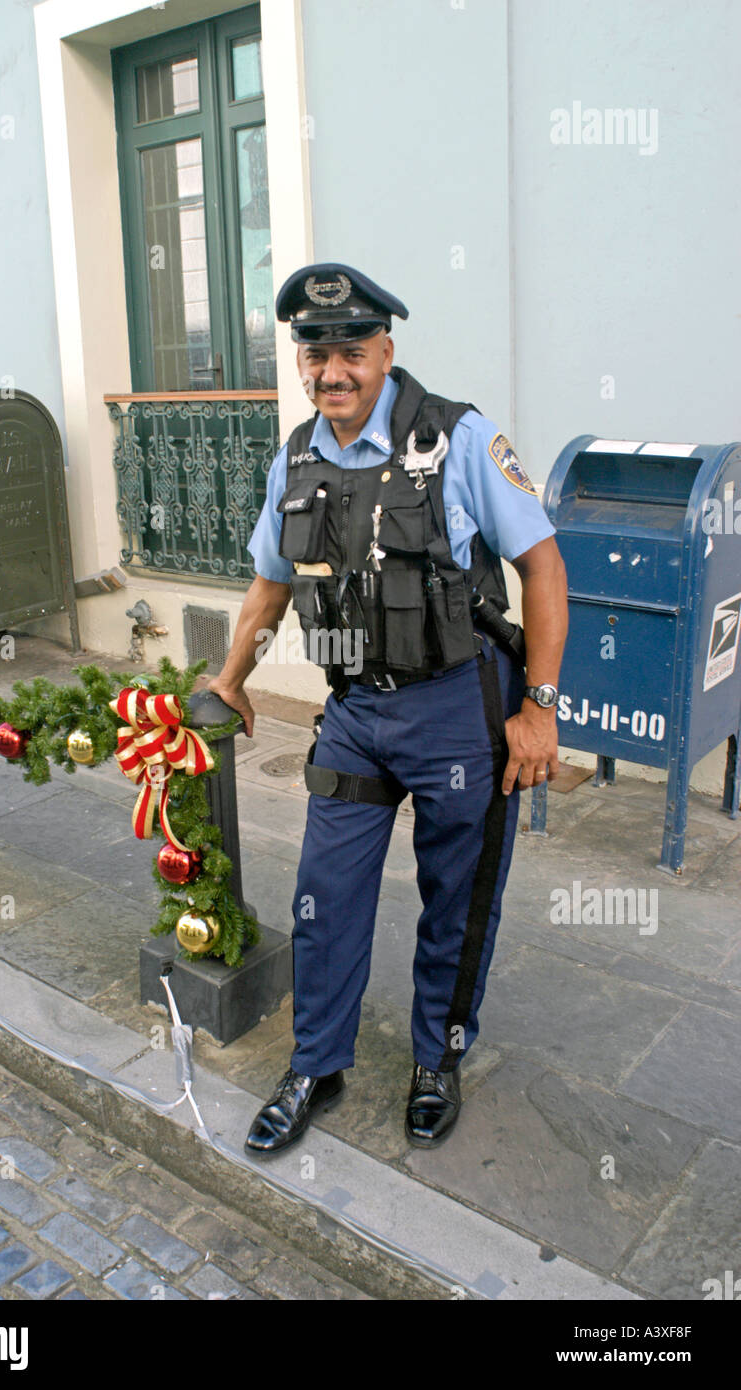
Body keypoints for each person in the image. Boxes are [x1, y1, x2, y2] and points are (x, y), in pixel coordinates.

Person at [207, 262, 568, 1155]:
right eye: (315, 353)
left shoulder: (459, 438)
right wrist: (231, 678)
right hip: (357, 715)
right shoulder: (296, 456)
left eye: (350, 352)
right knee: (323, 896)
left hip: (459, 708)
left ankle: (435, 1060)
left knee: (459, 899)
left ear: (386, 352)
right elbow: (270, 583)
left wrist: (541, 706)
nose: (331, 370)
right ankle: (317, 1063)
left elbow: (545, 569)